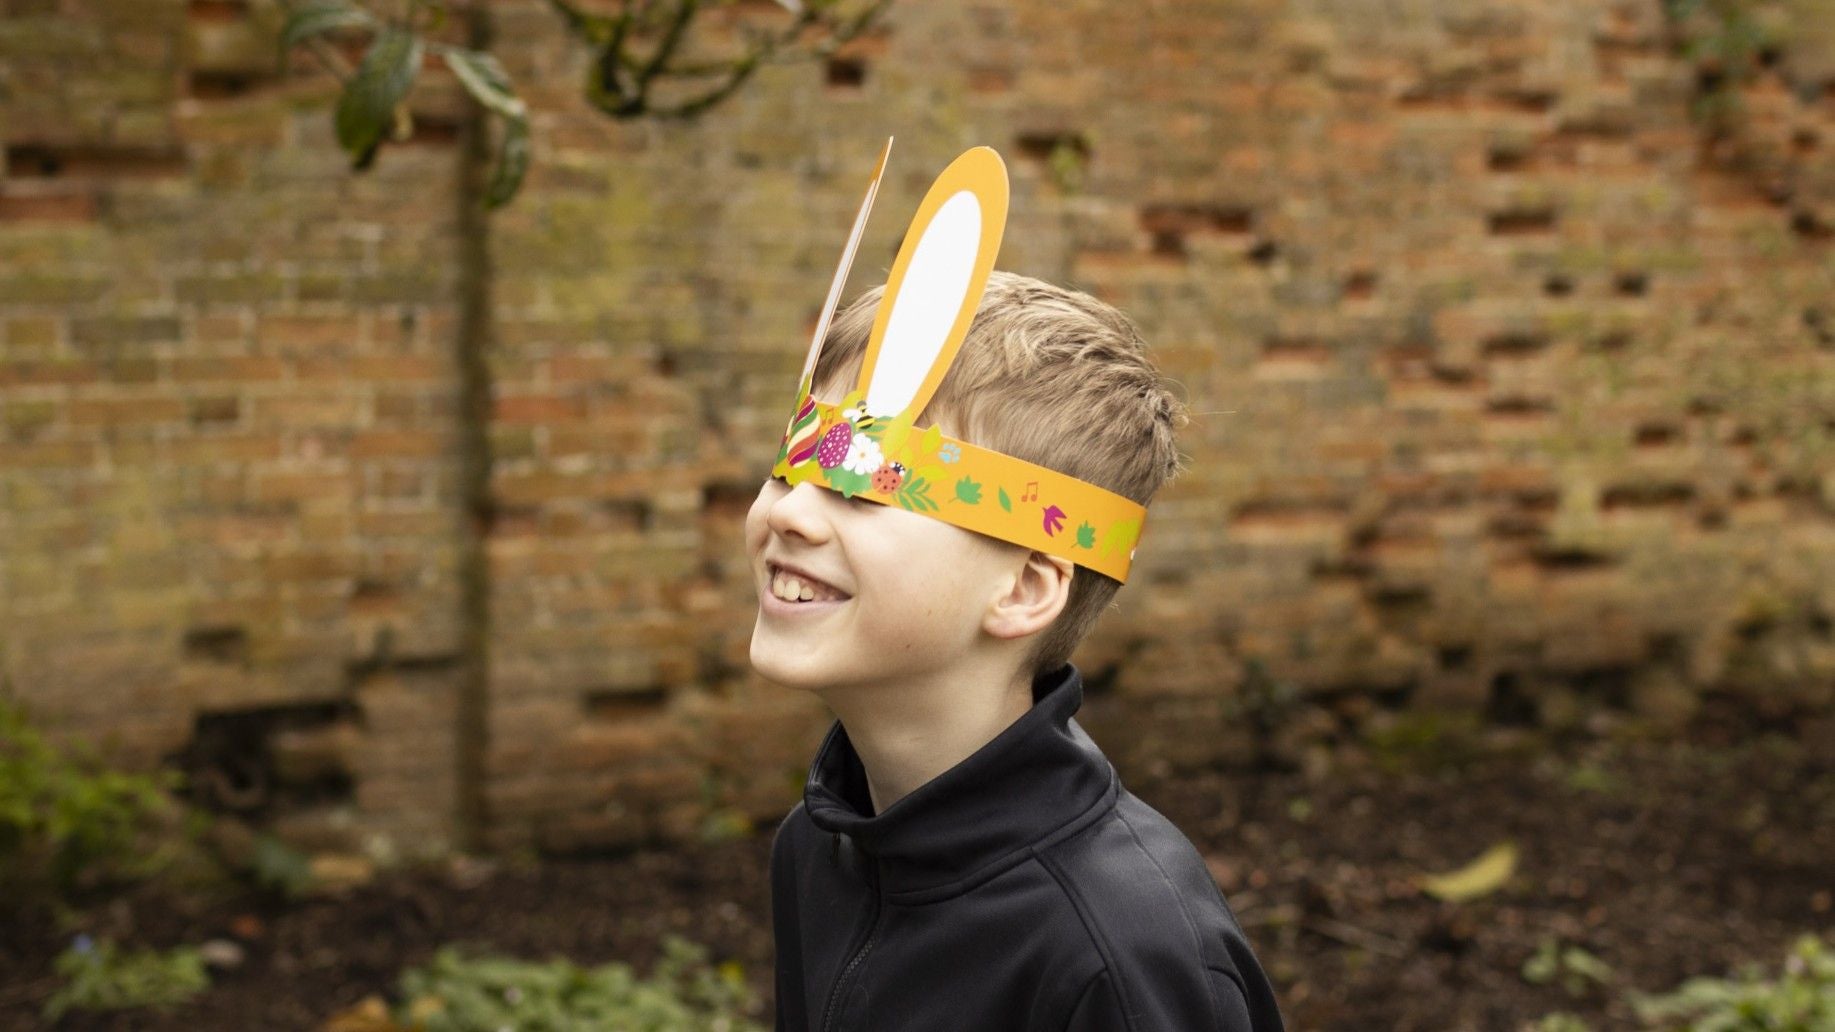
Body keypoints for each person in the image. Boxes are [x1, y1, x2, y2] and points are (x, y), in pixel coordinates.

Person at [749, 268, 1285, 1031]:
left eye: (867, 484)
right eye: (791, 462)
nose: (792, 511)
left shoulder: (1121, 958)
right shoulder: (816, 848)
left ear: (1024, 589)